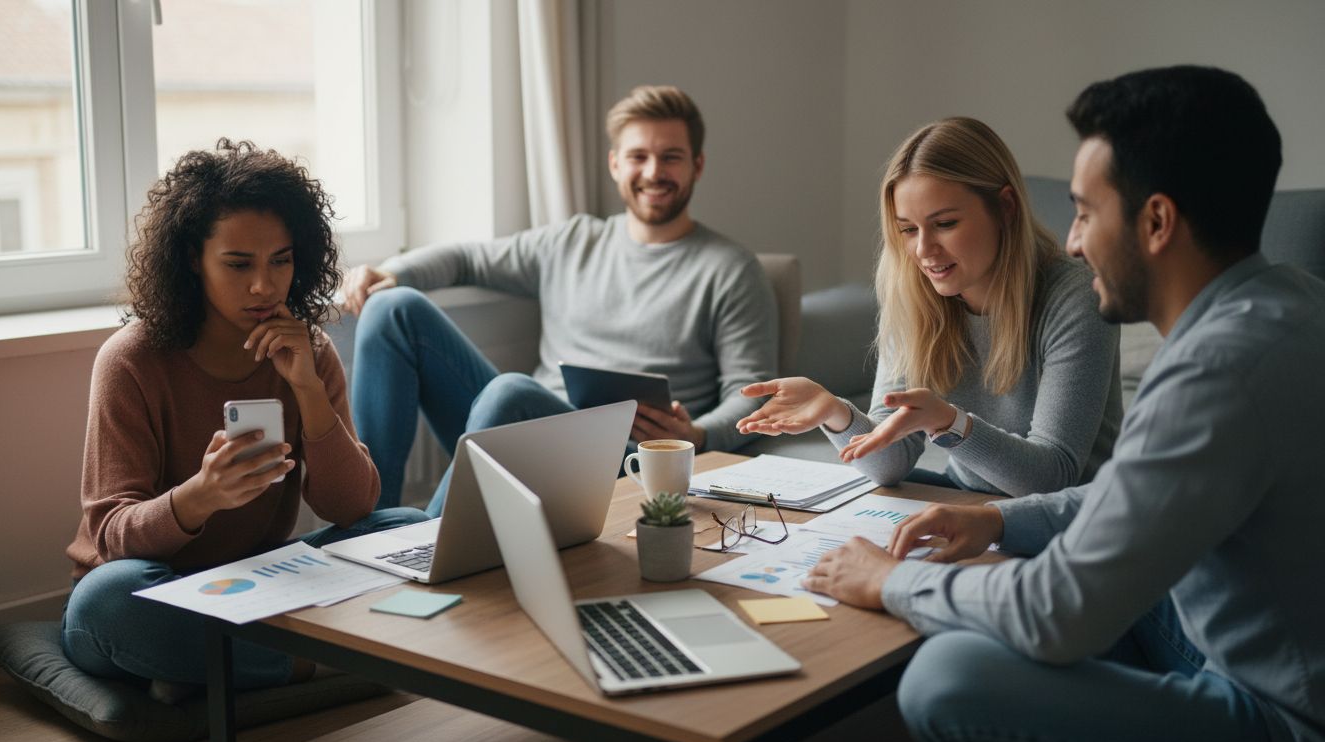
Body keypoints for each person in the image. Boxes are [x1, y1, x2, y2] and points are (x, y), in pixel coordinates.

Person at [805, 66, 1325, 742]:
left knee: (943, 678)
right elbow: (1128, 503)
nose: (1074, 240)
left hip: (1278, 721)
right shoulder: (1288, 303)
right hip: (1228, 630)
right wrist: (994, 520)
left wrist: (892, 582)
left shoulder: (1213, 373)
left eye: (1085, 211)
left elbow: (1058, 614)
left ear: (1157, 221)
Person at [61, 140, 427, 698]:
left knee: (407, 527)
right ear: (192, 259)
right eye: (238, 264)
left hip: (256, 582)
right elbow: (111, 539)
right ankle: (309, 667)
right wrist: (200, 496)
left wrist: (306, 387)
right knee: (105, 603)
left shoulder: (310, 351)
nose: (264, 285)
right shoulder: (130, 361)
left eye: (280, 260)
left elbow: (353, 508)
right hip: (152, 585)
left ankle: (210, 671)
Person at [342, 85, 778, 512]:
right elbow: (466, 258)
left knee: (510, 393)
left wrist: (696, 434)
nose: (652, 172)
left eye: (671, 157)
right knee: (390, 307)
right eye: (637, 157)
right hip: (512, 427)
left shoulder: (731, 269)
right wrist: (392, 272)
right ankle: (374, 515)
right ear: (614, 164)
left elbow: (753, 392)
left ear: (697, 165)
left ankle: (417, 546)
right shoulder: (572, 241)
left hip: (624, 460)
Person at [737, 117, 1121, 498]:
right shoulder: (914, 294)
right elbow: (889, 466)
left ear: (1005, 208)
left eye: (945, 223)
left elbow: (1053, 477)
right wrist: (835, 413)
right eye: (908, 229)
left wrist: (949, 423)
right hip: (970, 506)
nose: (923, 251)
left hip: (1072, 523)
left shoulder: (1076, 297)